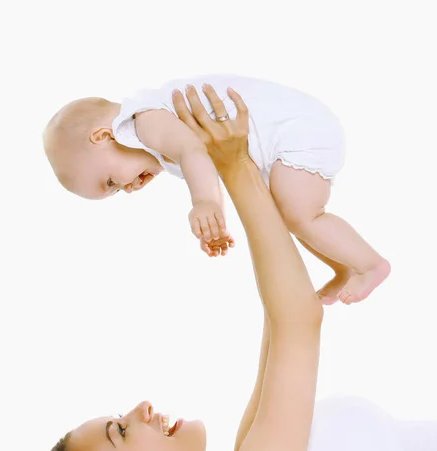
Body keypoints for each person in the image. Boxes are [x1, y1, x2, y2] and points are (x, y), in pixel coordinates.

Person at [15, 86, 437, 451]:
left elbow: (281, 319)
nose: (141, 407)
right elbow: (298, 320)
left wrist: (247, 162)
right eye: (122, 432)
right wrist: (234, 168)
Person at [43, 74, 390, 305]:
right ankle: (343, 266)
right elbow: (203, 159)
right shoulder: (152, 139)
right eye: (116, 192)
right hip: (291, 134)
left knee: (301, 212)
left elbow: (193, 150)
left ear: (103, 136)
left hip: (297, 130)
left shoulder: (141, 121)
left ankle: (370, 264)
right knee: (290, 213)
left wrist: (206, 201)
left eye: (110, 181)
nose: (128, 188)